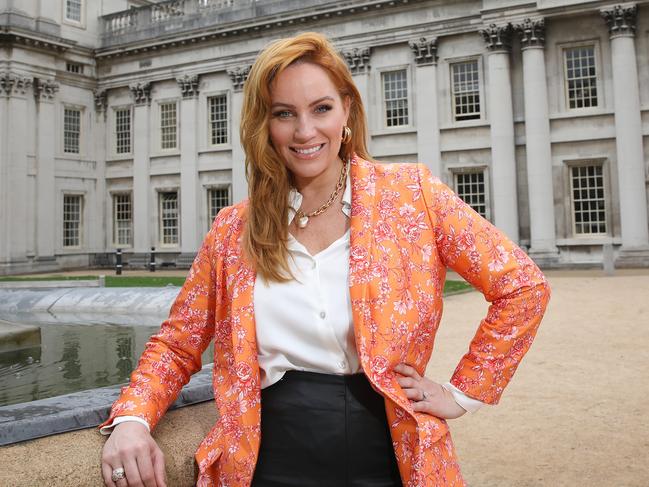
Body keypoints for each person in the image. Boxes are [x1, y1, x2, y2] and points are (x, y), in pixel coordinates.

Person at [100, 32, 550, 487]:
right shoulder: (233, 229)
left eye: (321, 108)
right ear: (265, 125)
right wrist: (133, 419)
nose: (305, 131)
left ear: (347, 111)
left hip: (391, 456)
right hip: (270, 460)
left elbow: (522, 286)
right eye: (284, 114)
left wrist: (462, 393)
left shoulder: (412, 196)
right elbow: (178, 343)